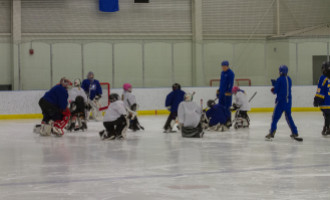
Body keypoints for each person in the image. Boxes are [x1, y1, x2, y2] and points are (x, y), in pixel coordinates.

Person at [265, 65, 299, 140]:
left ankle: (272, 132)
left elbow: (275, 91)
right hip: (288, 101)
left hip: (281, 101)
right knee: (289, 117)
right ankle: (295, 132)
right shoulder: (289, 79)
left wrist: (273, 86)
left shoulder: (279, 79)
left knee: (275, 117)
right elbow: (285, 88)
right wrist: (276, 84)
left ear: (280, 71)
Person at [314, 61, 330, 135]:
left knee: (326, 115)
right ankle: (327, 127)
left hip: (326, 102)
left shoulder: (322, 78)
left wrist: (317, 100)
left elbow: (320, 90)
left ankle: (327, 128)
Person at [218, 60, 235, 127]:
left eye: (224, 66)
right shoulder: (222, 73)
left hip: (227, 93)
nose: (223, 67)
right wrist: (219, 90)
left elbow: (231, 83)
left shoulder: (231, 73)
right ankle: (222, 119)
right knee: (220, 106)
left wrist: (229, 91)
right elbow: (221, 82)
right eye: (222, 66)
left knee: (227, 107)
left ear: (227, 66)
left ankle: (228, 121)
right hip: (222, 92)